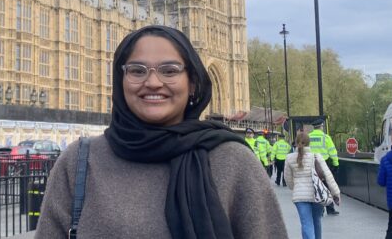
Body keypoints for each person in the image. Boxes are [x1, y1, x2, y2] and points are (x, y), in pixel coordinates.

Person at [35, 25, 287, 238]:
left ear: (193, 83)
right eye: (137, 70)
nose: (153, 82)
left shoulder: (233, 162)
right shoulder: (79, 161)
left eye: (169, 70)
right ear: (119, 81)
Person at [285, 131, 341, 239]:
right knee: (317, 221)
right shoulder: (316, 156)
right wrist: (336, 193)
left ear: (296, 143)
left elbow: (288, 179)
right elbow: (328, 176)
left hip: (299, 197)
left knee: (306, 224)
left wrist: (295, 187)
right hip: (317, 195)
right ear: (309, 143)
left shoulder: (289, 158)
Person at [309, 119, 340, 215]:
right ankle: (330, 209)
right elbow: (332, 152)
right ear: (321, 126)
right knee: (327, 187)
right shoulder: (326, 137)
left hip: (312, 164)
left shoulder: (308, 137)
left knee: (315, 186)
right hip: (324, 164)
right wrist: (336, 164)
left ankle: (319, 209)